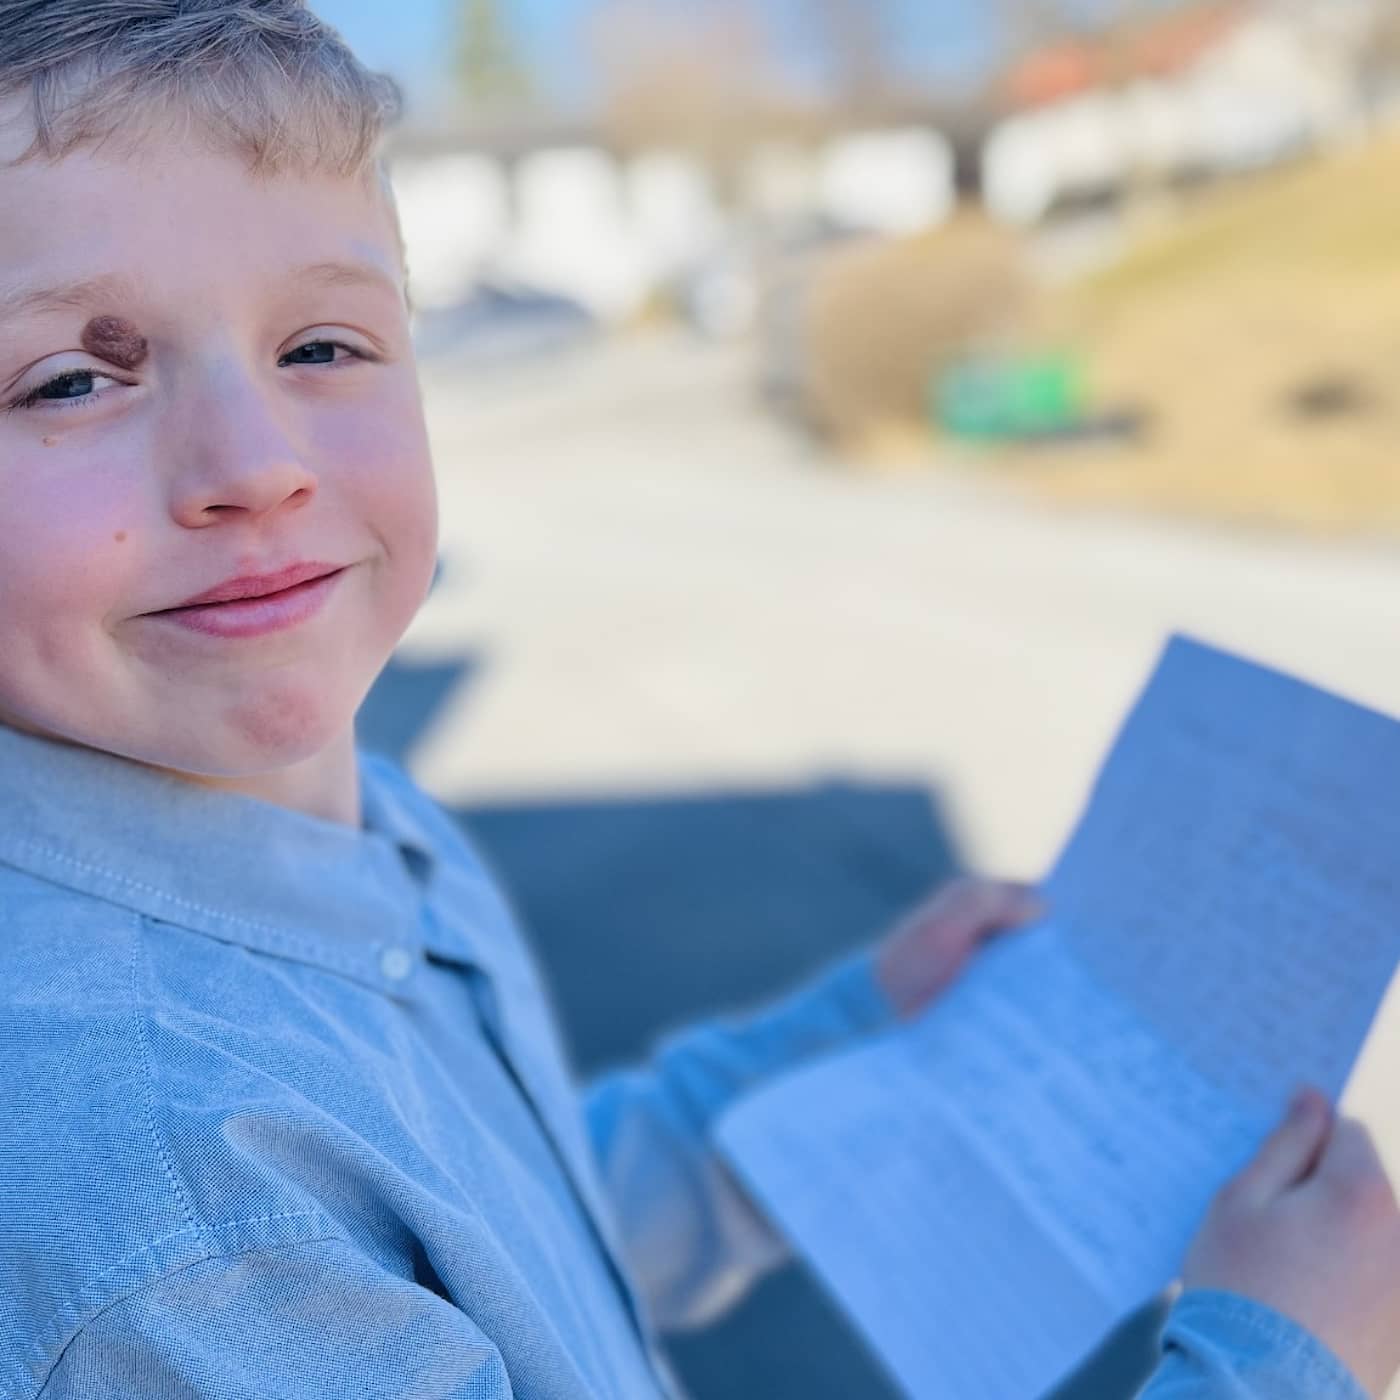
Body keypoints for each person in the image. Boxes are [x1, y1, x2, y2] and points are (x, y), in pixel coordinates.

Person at [0, 4, 1396, 1397]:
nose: (255, 463)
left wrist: (844, 1045)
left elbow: (516, 1235)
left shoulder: (350, 814)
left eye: (321, 346)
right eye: (69, 377)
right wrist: (1283, 1360)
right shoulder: (185, 1236)